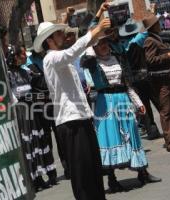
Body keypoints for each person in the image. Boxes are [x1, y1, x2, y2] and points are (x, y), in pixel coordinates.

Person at [33, 7, 111, 200]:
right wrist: (95, 29)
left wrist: (97, 22)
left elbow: (83, 43)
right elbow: (74, 50)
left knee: (93, 170)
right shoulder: (51, 58)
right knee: (82, 176)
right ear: (49, 40)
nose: (62, 35)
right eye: (58, 33)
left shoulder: (61, 58)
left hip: (81, 119)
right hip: (70, 124)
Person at [81, 34, 162, 193]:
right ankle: (112, 180)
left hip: (123, 101)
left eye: (105, 42)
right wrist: (91, 41)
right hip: (105, 104)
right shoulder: (92, 63)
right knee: (110, 139)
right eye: (99, 44)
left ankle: (143, 173)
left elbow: (127, 84)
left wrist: (138, 102)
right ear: (94, 48)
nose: (103, 45)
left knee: (132, 136)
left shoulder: (117, 59)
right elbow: (85, 59)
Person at [7, 45, 57, 191]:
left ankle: (40, 176)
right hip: (21, 113)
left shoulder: (27, 71)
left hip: (32, 110)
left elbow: (37, 89)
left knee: (37, 142)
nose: (24, 56)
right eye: (21, 54)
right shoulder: (9, 74)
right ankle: (32, 179)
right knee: (27, 143)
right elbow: (13, 95)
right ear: (15, 57)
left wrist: (43, 94)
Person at [118, 19, 161, 140]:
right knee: (158, 102)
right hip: (145, 75)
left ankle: (152, 131)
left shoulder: (122, 45)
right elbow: (148, 31)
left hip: (134, 79)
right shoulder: (139, 38)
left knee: (143, 105)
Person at [143, 15, 170, 152]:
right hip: (160, 81)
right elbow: (150, 60)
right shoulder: (149, 40)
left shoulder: (157, 37)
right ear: (153, 26)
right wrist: (168, 56)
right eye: (157, 23)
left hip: (167, 77)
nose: (160, 24)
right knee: (165, 110)